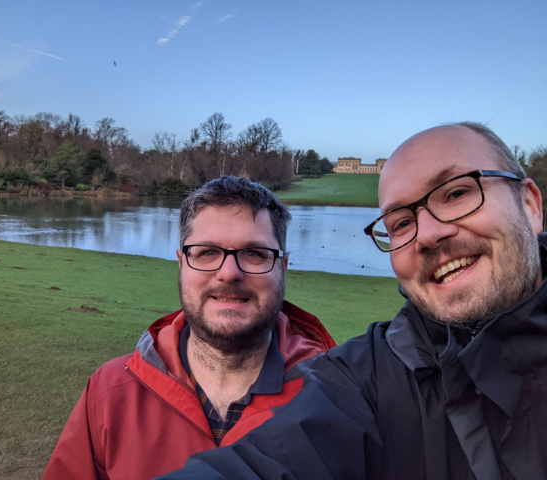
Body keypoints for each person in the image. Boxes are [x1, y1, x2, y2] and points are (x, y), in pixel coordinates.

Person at [159, 122, 547, 480]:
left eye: (458, 193)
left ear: (530, 204)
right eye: (401, 223)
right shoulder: (365, 377)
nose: (427, 234)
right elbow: (268, 462)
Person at [42, 176, 336, 479]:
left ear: (283, 267)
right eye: (207, 252)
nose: (229, 273)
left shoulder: (335, 399)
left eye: (254, 254)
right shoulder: (110, 392)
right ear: (181, 263)